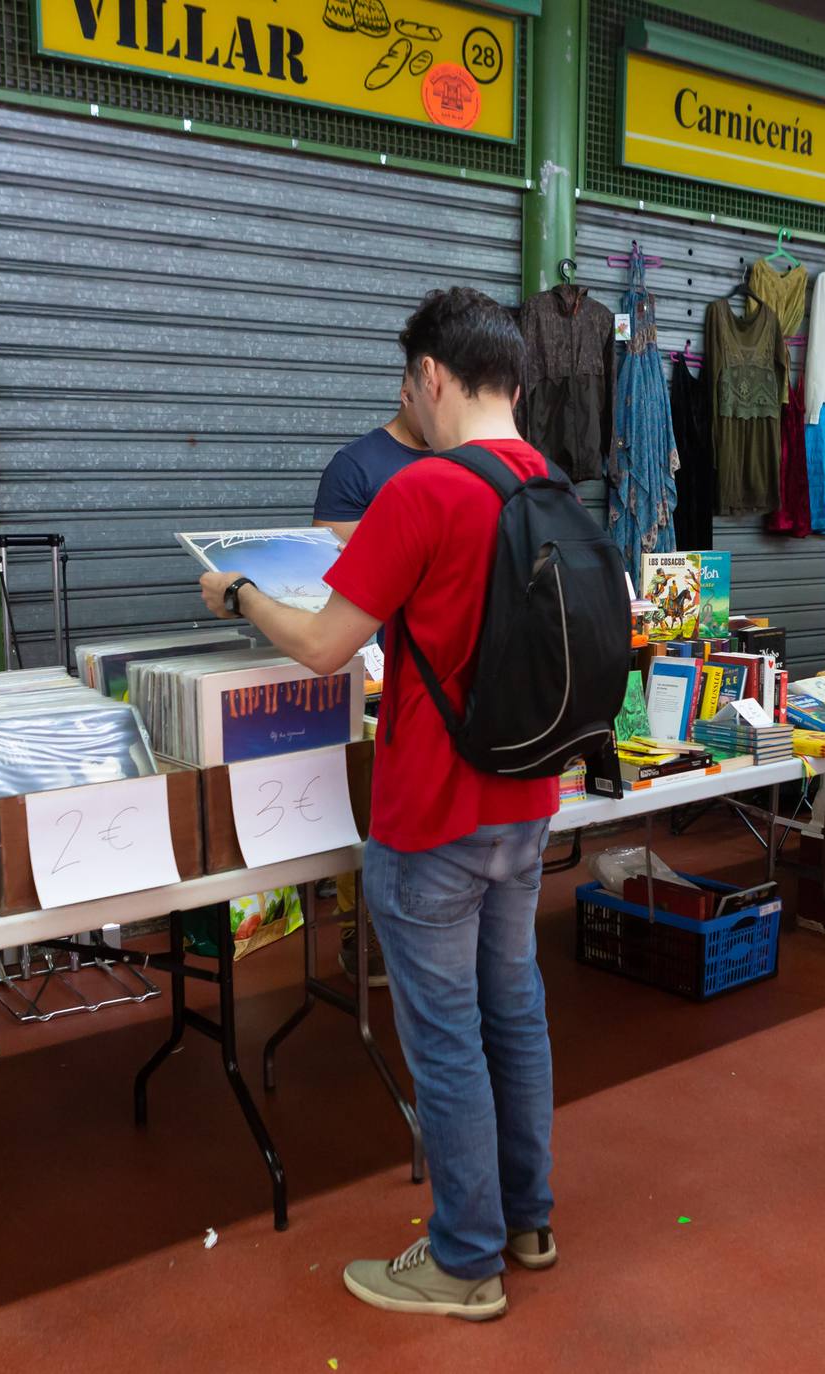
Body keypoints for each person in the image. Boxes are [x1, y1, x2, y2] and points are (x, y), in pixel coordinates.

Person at [198, 286, 558, 1322]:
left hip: (432, 811)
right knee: (515, 1010)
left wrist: (237, 595)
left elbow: (321, 645)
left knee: (443, 1035)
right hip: (526, 799)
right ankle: (526, 1224)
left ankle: (463, 1261)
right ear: (515, 383)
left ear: (430, 378)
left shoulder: (422, 493)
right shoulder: (550, 484)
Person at [311, 379, 429, 988]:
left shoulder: (459, 460)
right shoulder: (356, 465)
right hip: (366, 658)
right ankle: (362, 931)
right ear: (412, 387)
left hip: (434, 666)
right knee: (361, 796)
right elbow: (331, 569)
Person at [312, 377, 428, 544]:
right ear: (406, 395)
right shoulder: (353, 465)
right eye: (435, 402)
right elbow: (330, 560)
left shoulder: (465, 453)